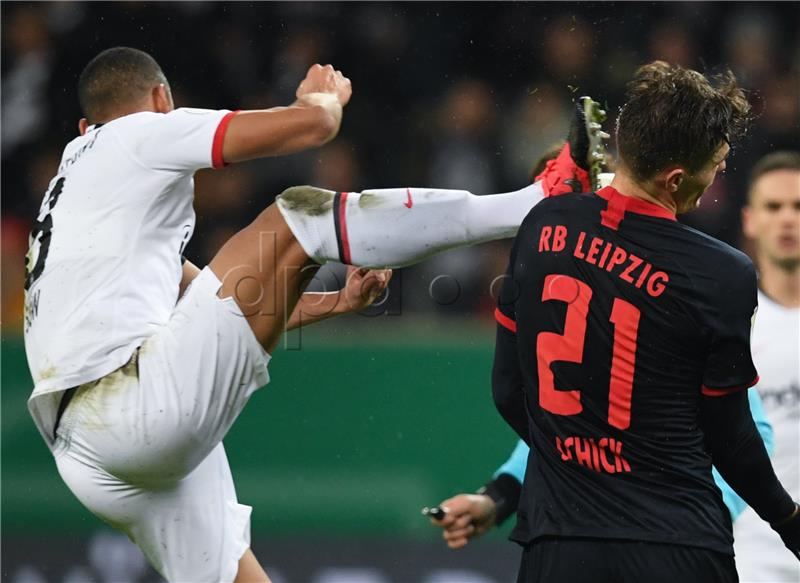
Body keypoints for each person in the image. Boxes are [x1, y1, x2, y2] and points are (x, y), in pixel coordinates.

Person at [23, 47, 603, 582]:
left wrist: (340, 302)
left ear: (82, 127)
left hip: (87, 456)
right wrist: (321, 97)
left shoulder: (74, 206)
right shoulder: (140, 133)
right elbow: (313, 128)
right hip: (133, 406)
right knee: (298, 214)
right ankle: (535, 202)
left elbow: (224, 303)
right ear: (160, 102)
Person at [488, 61, 800, 582]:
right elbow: (733, 436)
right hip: (675, 543)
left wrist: (578, 464)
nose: (720, 172)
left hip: (558, 542)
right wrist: (789, 520)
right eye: (717, 163)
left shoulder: (541, 226)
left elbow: (507, 389)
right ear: (676, 178)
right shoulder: (721, 273)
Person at [730, 151, 800, 582]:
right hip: (755, 553)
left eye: (799, 207)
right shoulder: (732, 324)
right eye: (774, 207)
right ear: (750, 219)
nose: (787, 219)